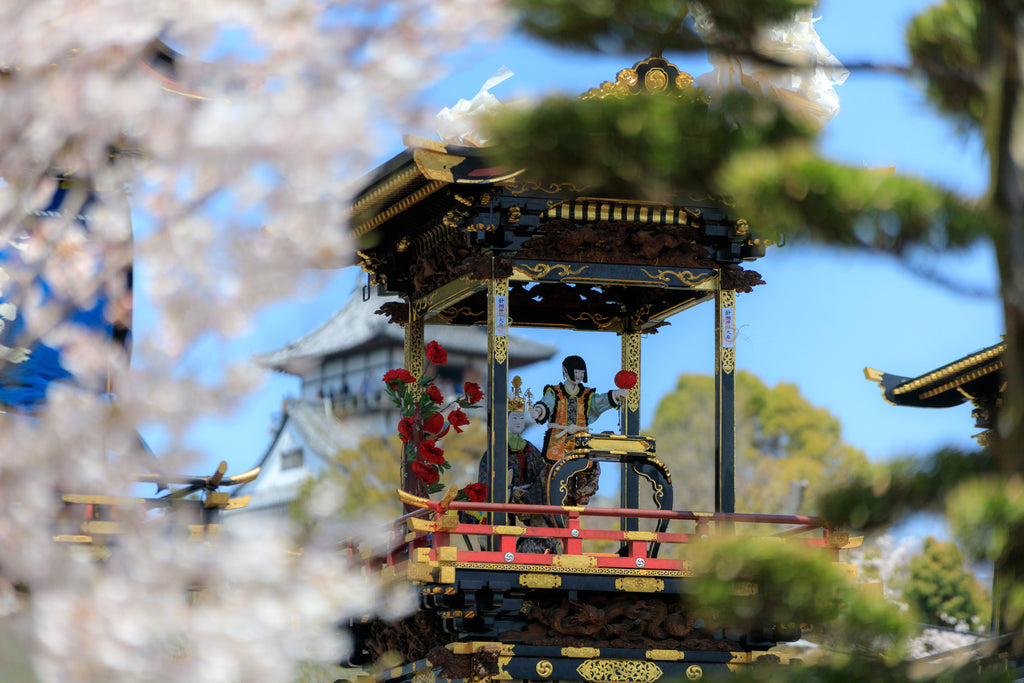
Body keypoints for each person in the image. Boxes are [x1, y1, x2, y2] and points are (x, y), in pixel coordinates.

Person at [530, 355, 628, 463]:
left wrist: (616, 394)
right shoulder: (555, 392)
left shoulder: (586, 394)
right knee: (556, 469)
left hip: (581, 441)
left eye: (582, 373)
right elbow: (546, 404)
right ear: (565, 370)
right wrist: (538, 410)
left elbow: (598, 402)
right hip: (558, 443)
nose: (579, 376)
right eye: (576, 372)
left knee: (585, 466)